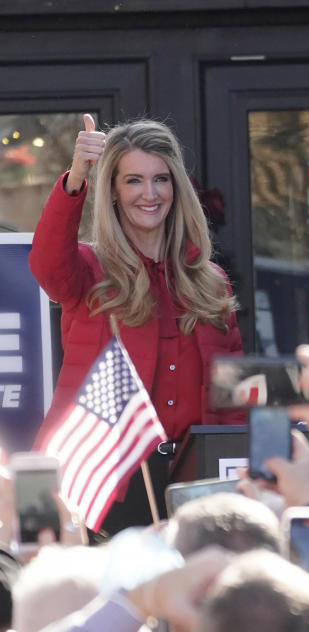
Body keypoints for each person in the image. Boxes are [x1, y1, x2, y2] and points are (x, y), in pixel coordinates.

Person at [29, 114, 243, 531]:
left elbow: (232, 398)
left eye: (161, 179)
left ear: (176, 187)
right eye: (133, 181)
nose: (150, 193)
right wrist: (76, 179)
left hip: (195, 488)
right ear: (112, 190)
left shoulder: (209, 282)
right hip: (107, 482)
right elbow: (47, 265)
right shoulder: (91, 269)